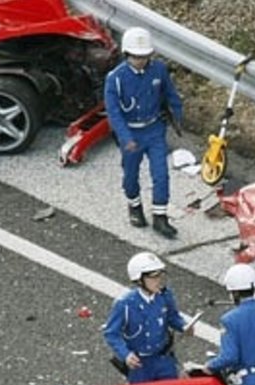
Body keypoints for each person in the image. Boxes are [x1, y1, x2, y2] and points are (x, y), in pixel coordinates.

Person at [103, 27, 184, 239]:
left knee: (161, 174)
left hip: (155, 130)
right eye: (136, 57)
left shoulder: (158, 70)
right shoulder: (115, 79)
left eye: (144, 56)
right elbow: (114, 113)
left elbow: (171, 94)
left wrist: (177, 115)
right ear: (127, 54)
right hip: (131, 134)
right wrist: (125, 138)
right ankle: (134, 205)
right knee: (130, 175)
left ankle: (160, 216)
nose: (141, 61)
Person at [103, 252, 194, 383]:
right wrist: (126, 355)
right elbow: (111, 333)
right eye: (153, 277)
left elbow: (172, 317)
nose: (159, 281)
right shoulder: (125, 304)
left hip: (164, 358)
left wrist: (184, 326)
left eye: (160, 275)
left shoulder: (164, 296)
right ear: (139, 280)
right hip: (140, 364)